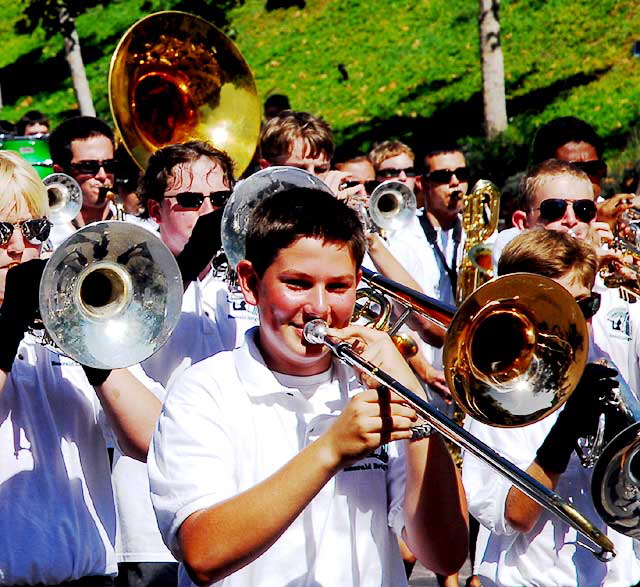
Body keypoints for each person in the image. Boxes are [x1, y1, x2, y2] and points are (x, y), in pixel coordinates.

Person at [148, 187, 469, 587]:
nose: (319, 307)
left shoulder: (373, 388)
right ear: (249, 282)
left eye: (338, 287)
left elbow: (446, 553)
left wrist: (416, 409)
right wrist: (331, 449)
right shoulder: (204, 390)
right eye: (298, 284)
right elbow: (203, 554)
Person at [0, 149, 164, 586]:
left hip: (91, 576)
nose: (19, 248)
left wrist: (88, 348)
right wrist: (9, 323)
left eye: (32, 229)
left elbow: (152, 440)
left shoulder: (70, 322)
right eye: (0, 231)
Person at [114, 141, 257, 587]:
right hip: (153, 526)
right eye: (192, 201)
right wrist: (191, 259)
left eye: (222, 201)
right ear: (155, 209)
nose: (210, 211)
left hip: (242, 509)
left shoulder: (247, 279)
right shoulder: (124, 278)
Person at [463, 228, 640, 586]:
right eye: (566, 309)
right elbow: (515, 515)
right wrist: (567, 429)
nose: (583, 321)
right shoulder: (497, 397)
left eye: (588, 305)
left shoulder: (602, 362)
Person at [496, 158, 635, 382]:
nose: (571, 220)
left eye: (584, 209)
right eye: (554, 209)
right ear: (523, 222)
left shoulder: (622, 291)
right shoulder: (512, 279)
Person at [47, 116, 119, 248]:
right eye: (88, 166)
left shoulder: (137, 227)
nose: (102, 176)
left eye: (109, 165)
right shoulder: (47, 237)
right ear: (61, 173)